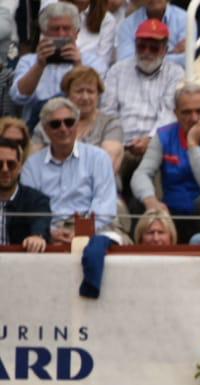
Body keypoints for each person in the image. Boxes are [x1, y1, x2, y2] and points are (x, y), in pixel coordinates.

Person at [131, 82, 200, 241]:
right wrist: (150, 201)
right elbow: (141, 173)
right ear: (176, 113)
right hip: (172, 211)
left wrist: (193, 145)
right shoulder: (164, 135)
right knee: (139, 201)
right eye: (186, 112)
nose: (194, 118)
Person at [21, 96, 117, 240]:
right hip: (47, 234)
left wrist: (83, 231)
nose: (63, 128)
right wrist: (50, 232)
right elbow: (30, 208)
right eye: (55, 124)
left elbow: (104, 205)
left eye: (69, 122)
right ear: (45, 129)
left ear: (77, 125)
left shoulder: (99, 157)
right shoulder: (32, 164)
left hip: (92, 231)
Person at [103, 20, 181, 183]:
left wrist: (150, 140)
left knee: (151, 175)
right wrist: (119, 141)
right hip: (120, 144)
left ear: (165, 50)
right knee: (106, 168)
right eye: (141, 46)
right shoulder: (117, 70)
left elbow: (168, 114)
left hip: (155, 145)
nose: (146, 52)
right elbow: (108, 112)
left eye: (154, 48)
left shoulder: (175, 73)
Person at [10, 3, 106, 124]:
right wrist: (39, 65)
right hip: (38, 123)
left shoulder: (93, 62)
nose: (61, 34)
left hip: (82, 123)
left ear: (76, 33)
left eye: (66, 29)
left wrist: (78, 66)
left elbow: (100, 98)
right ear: (44, 33)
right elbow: (18, 97)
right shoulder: (29, 61)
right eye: (55, 29)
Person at [34, 63, 122, 174]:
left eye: (90, 91)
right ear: (67, 94)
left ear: (98, 95)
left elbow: (107, 164)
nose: (85, 97)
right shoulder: (48, 122)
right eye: (79, 91)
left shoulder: (111, 124)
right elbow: (33, 162)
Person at [0, 137, 52, 251]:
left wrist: (37, 236)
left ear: (20, 167)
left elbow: (40, 219)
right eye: (0, 164)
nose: (5, 169)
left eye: (11, 164)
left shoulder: (36, 199)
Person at [113, 0, 186, 67]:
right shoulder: (127, 25)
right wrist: (171, 52)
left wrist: (145, 58)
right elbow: (125, 62)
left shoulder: (185, 19)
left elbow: (186, 60)